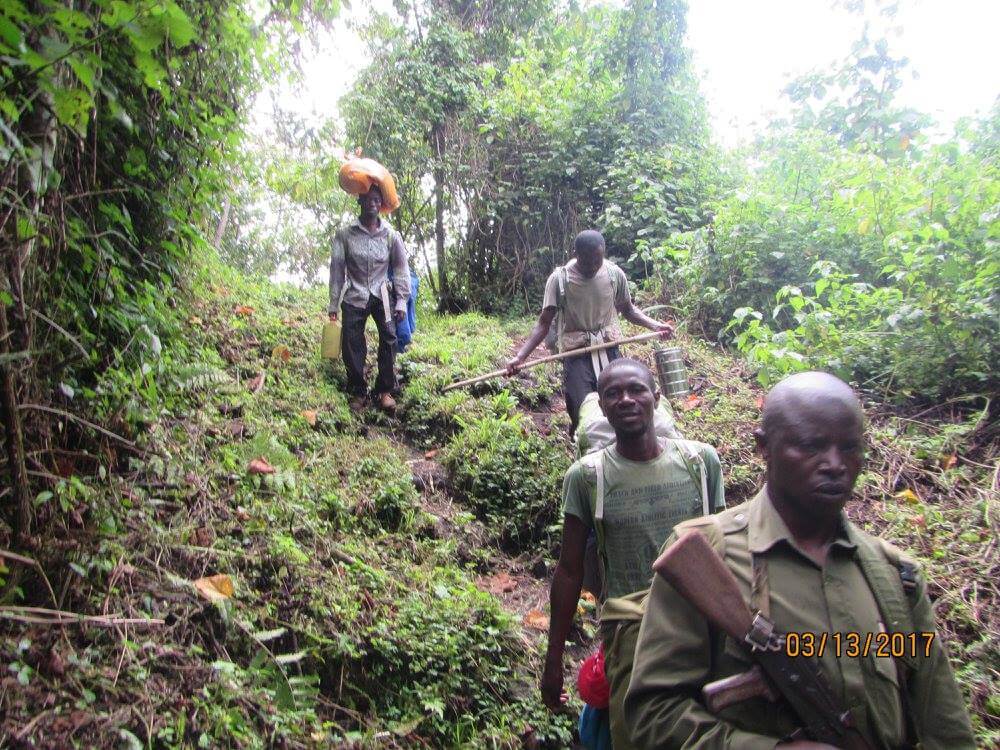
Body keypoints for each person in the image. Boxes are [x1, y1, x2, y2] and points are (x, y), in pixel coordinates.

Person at [624, 371, 976, 750]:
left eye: (850, 447)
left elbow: (943, 721)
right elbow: (653, 715)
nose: (835, 464)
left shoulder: (896, 576)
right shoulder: (707, 555)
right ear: (764, 446)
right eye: (812, 446)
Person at [543, 358, 725, 748]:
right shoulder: (587, 476)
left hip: (704, 624)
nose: (626, 399)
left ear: (656, 398)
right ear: (602, 407)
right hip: (631, 634)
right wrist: (553, 660)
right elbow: (570, 570)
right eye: (613, 394)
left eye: (636, 390)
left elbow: (726, 549)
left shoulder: (700, 462)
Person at [506, 230, 673, 432]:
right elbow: (544, 323)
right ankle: (583, 444)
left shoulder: (614, 274)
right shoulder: (560, 280)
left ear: (603, 254)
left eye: (597, 260)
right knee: (581, 406)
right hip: (576, 352)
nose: (593, 266)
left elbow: (628, 310)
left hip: (609, 346)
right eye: (587, 261)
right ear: (575, 254)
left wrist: (655, 325)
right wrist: (520, 357)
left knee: (618, 402)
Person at [329, 184, 411, 412]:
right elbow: (337, 271)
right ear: (360, 201)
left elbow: (401, 269)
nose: (372, 203)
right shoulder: (345, 235)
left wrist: (401, 300)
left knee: (390, 337)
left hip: (382, 293)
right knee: (351, 340)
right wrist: (333, 304)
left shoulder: (391, 236)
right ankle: (358, 390)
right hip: (354, 293)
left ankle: (384, 390)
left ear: (381, 204)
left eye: (376, 200)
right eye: (368, 199)